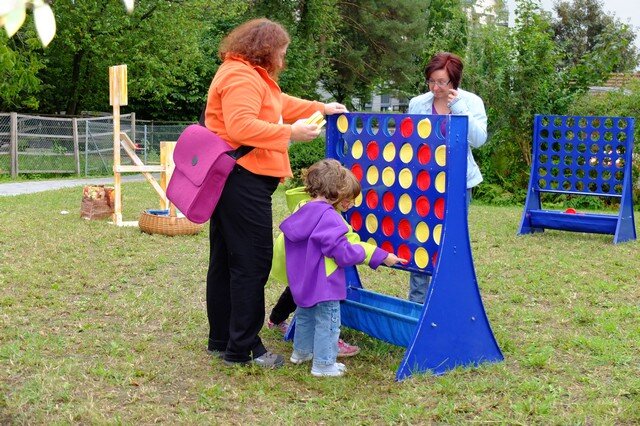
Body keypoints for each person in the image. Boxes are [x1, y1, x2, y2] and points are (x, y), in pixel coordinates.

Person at [203, 18, 348, 368]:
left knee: (226, 260)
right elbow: (241, 126)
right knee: (251, 263)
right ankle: (243, 348)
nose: (283, 58)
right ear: (265, 50)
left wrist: (320, 108)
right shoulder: (240, 76)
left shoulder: (249, 75)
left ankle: (222, 338)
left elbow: (278, 102)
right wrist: (290, 133)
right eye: (281, 51)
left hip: (234, 178)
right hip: (242, 180)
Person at [275, 159, 406, 376]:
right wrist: (378, 255)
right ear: (336, 191)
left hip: (303, 279)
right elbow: (343, 253)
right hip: (324, 282)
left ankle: (301, 353)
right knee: (328, 321)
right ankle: (324, 365)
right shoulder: (330, 217)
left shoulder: (302, 208)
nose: (351, 203)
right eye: (348, 197)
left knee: (306, 314)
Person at [407, 52, 487, 304]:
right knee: (420, 239)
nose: (435, 88)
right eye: (431, 81)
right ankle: (417, 303)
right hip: (424, 181)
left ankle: (448, 301)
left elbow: (479, 140)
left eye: (442, 82)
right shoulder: (418, 103)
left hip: (457, 183)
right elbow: (410, 139)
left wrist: (459, 109)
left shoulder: (471, 102)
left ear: (455, 80)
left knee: (451, 241)